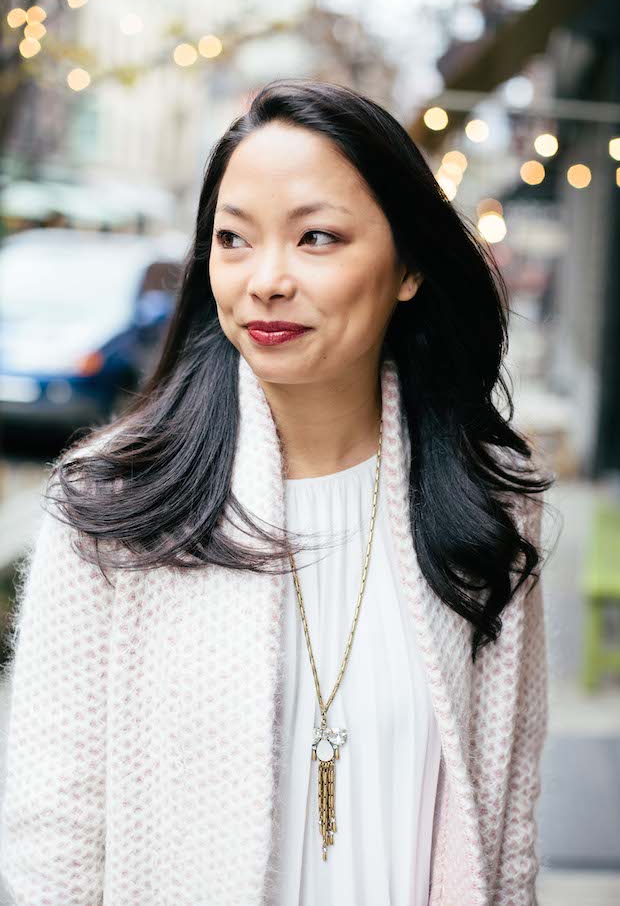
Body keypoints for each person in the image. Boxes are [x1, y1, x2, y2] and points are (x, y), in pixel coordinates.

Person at [0, 79, 554, 906]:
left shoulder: (492, 510)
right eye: (233, 239)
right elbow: (52, 844)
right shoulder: (112, 509)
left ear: (407, 266)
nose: (265, 280)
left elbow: (505, 839)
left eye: (317, 238)